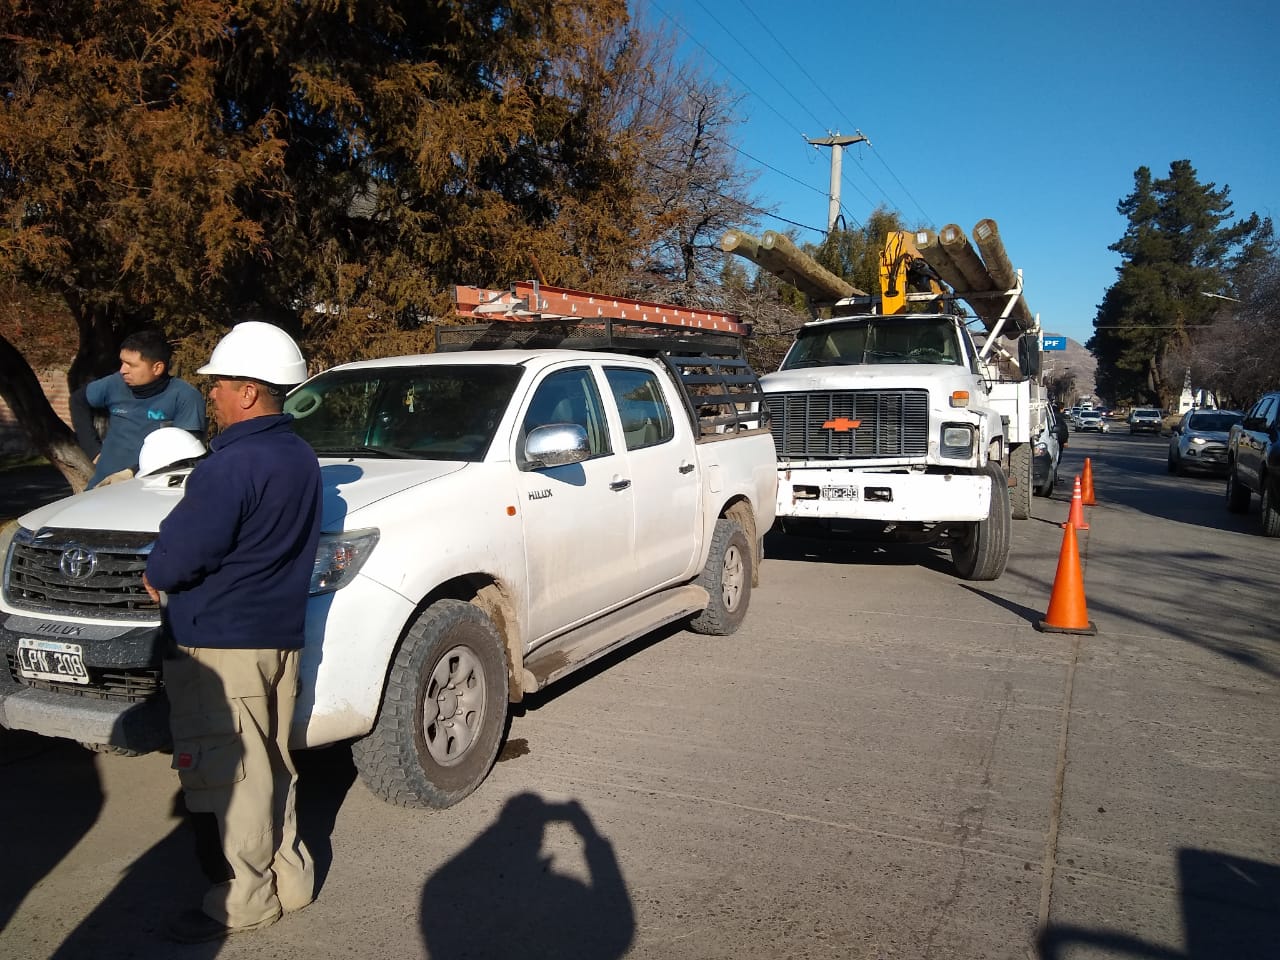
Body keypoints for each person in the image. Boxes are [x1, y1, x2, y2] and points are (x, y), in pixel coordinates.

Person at [141, 321, 320, 943]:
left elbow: (182, 555)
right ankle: (289, 878)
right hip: (277, 639)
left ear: (249, 391)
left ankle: (244, 900)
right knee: (272, 763)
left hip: (222, 644)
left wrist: (156, 570)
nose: (210, 394)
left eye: (218, 383)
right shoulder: (299, 456)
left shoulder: (230, 465)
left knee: (232, 775)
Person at [71, 329, 206, 488]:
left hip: (150, 491)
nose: (123, 370)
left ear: (157, 368)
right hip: (102, 486)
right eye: (122, 362)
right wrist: (92, 450)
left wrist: (131, 472)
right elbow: (78, 401)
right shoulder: (115, 384)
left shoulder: (185, 397)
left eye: (131, 365)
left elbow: (185, 454)